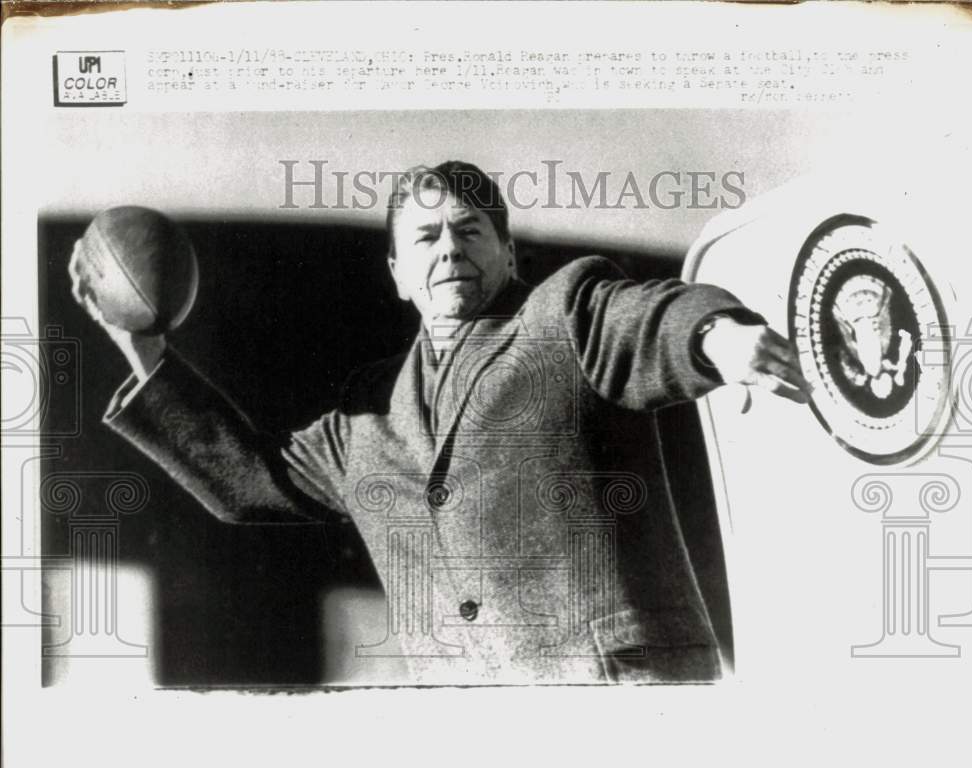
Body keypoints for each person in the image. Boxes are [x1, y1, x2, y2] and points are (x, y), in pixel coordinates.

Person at [68, 160, 811, 685]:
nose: (449, 246)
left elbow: (641, 318)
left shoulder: (564, 311)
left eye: (470, 230)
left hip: (622, 698)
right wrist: (143, 348)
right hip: (476, 733)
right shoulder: (364, 420)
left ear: (508, 252)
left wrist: (716, 335)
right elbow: (246, 479)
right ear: (396, 272)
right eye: (425, 236)